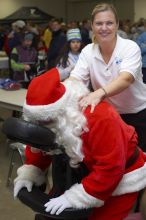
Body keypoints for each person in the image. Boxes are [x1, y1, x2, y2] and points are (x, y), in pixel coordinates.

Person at [13, 68, 146, 220]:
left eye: (45, 122)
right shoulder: (56, 120)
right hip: (84, 169)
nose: (43, 127)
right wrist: (31, 172)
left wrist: (76, 198)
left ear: (62, 112)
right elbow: (42, 143)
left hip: (121, 175)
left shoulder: (100, 118)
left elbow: (111, 168)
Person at [69, 3, 146, 152]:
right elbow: (75, 80)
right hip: (109, 117)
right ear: (92, 26)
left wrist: (99, 92)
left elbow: (126, 79)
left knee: (138, 167)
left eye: (109, 23)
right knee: (113, 164)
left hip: (137, 115)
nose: (104, 28)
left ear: (117, 25)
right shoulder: (87, 51)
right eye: (99, 23)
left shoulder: (129, 47)